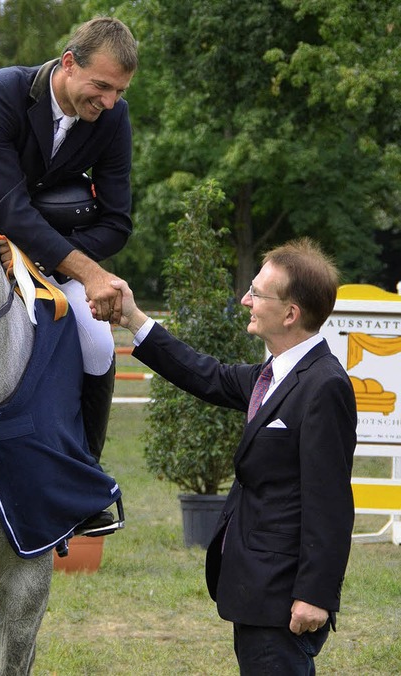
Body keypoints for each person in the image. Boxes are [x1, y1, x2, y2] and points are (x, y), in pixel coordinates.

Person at [108, 238, 357, 674]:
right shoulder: (275, 372)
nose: (246, 300)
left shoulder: (324, 385)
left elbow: (330, 501)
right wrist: (134, 319)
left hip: (281, 597)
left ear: (291, 314)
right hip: (254, 588)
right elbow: (207, 375)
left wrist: (316, 594)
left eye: (257, 293)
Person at [0, 17, 138, 531]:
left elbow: (118, 223)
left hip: (50, 257)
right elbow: (7, 207)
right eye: (100, 87)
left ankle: (84, 480)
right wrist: (82, 268)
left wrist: (60, 261)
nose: (107, 102)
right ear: (68, 62)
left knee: (99, 342)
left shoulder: (113, 119)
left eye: (118, 92)